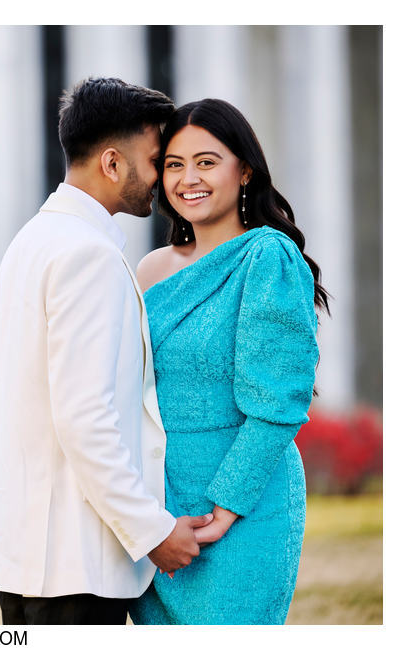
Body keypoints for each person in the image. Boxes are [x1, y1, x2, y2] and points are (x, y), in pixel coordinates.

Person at [0, 77, 214, 626]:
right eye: (157, 161)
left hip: (28, 556)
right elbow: (85, 417)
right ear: (112, 163)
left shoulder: (31, 242)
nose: (164, 178)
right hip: (74, 564)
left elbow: (0, 394)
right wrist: (152, 531)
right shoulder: (90, 257)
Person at [129, 98, 327, 625]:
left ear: (244, 171)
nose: (188, 178)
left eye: (206, 161)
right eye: (174, 164)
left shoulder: (268, 257)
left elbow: (280, 401)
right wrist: (143, 517)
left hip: (244, 506)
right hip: (160, 509)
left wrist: (228, 504)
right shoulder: (150, 269)